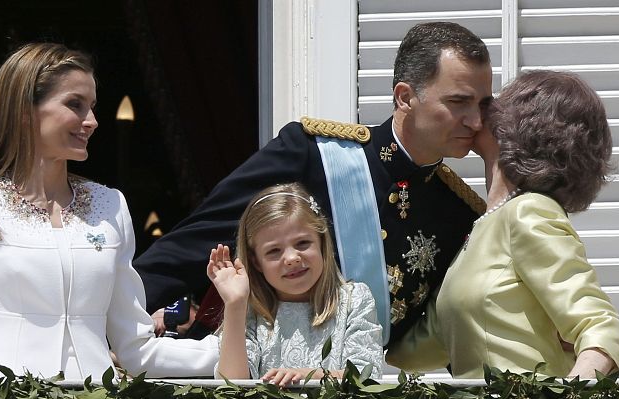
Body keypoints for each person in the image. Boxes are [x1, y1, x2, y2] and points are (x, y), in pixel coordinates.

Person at [134, 21, 493, 361]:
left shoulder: (457, 212)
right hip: (256, 389)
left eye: (483, 105)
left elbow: (445, 333)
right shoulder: (313, 155)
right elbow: (194, 246)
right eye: (459, 102)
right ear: (404, 97)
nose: (476, 122)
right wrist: (119, 324)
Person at [0, 43, 217, 380]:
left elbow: (136, 348)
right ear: (24, 111)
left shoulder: (110, 204)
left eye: (92, 107)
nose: (92, 121)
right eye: (75, 105)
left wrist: (246, 352)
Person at [388, 70, 619, 378]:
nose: (482, 113)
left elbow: (598, 325)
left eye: (495, 104)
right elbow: (414, 351)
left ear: (519, 126)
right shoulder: (482, 228)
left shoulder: (529, 211)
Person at [208, 183, 383, 386]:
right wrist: (235, 304)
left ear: (322, 243)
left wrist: (307, 376)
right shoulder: (250, 311)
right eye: (274, 251)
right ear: (256, 261)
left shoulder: (354, 299)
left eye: (302, 243)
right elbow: (231, 388)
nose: (291, 258)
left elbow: (367, 375)